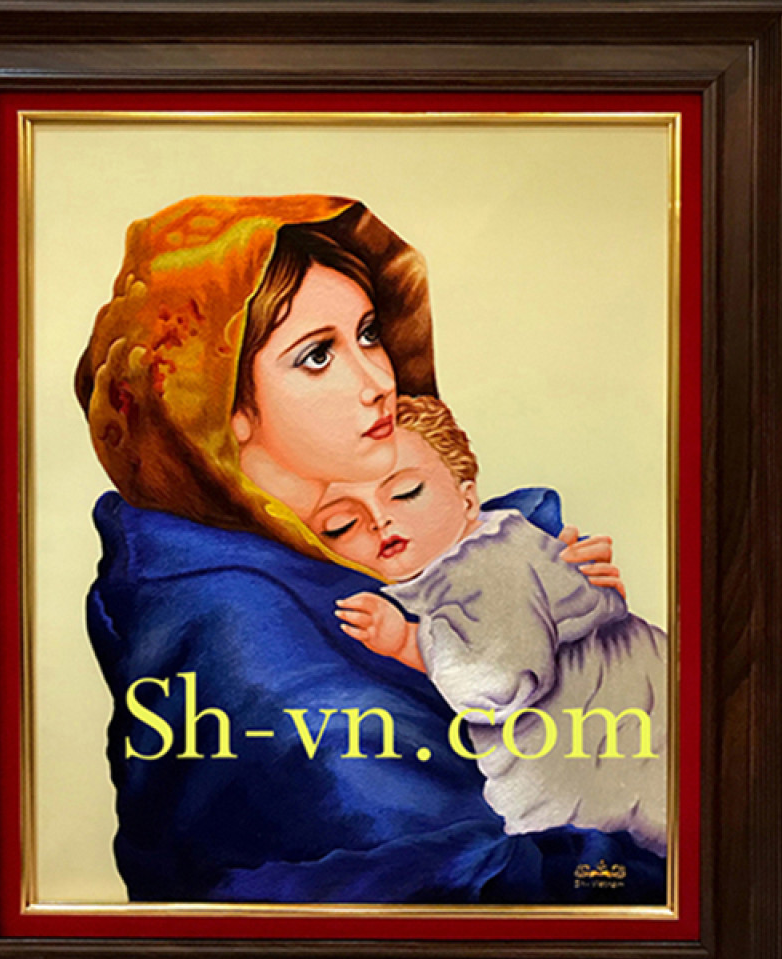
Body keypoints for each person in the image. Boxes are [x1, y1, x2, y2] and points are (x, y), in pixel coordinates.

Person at [75, 194, 664, 903]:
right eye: (318, 355)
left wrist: (563, 604)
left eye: (369, 335)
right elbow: (463, 874)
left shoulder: (371, 536)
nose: (379, 382)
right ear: (216, 405)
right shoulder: (240, 632)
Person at [312, 396, 666, 856]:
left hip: (606, 772)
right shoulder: (496, 552)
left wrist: (405, 641)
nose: (380, 520)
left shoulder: (485, 565)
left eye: (406, 493)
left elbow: (497, 682)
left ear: (467, 498)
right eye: (343, 524)